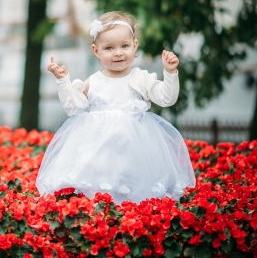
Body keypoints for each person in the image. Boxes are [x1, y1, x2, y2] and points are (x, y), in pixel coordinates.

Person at [35, 11, 196, 204]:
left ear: (134, 45)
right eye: (109, 48)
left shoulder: (140, 78)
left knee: (133, 189)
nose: (118, 52)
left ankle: (129, 218)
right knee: (98, 188)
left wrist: (170, 73)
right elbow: (73, 109)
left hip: (135, 148)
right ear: (96, 51)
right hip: (99, 152)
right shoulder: (93, 81)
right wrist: (63, 82)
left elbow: (166, 98)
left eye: (125, 46)